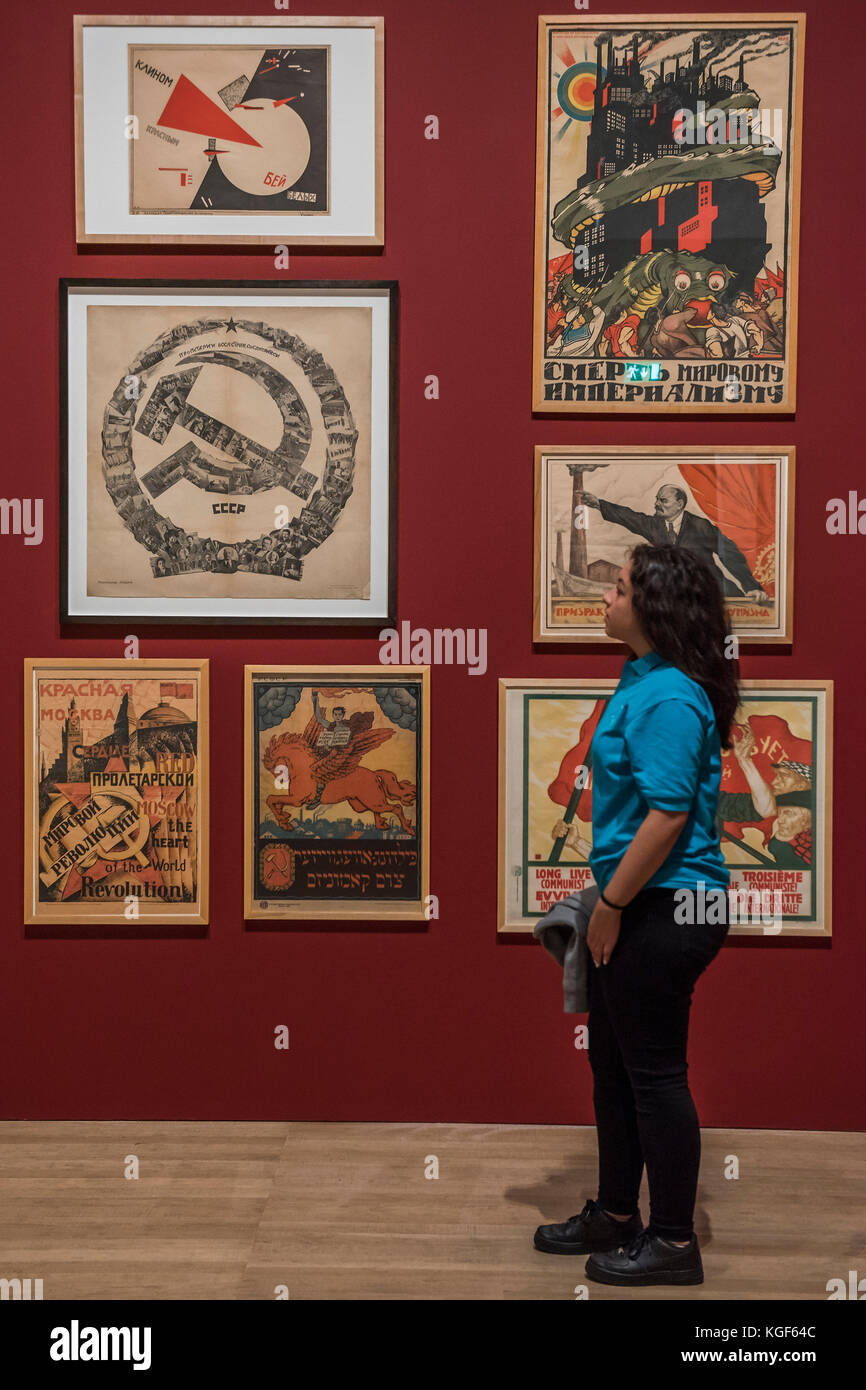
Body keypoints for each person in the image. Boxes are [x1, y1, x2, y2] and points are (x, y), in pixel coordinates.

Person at [534, 543, 738, 1286]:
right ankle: (619, 1212)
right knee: (615, 1070)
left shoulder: (669, 697)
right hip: (643, 902)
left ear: (650, 607)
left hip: (666, 907)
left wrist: (612, 904)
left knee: (653, 1076)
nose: (605, 598)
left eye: (616, 588)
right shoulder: (645, 680)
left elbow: (667, 816)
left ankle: (675, 1242)